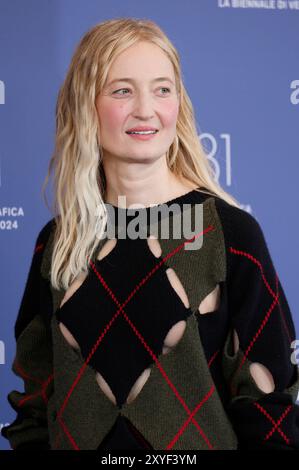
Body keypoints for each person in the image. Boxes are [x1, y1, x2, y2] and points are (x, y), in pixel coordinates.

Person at [2, 18, 299, 451]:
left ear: (179, 102)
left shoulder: (230, 234)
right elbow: (35, 403)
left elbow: (270, 412)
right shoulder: (59, 241)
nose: (146, 109)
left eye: (162, 89)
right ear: (85, 104)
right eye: (122, 90)